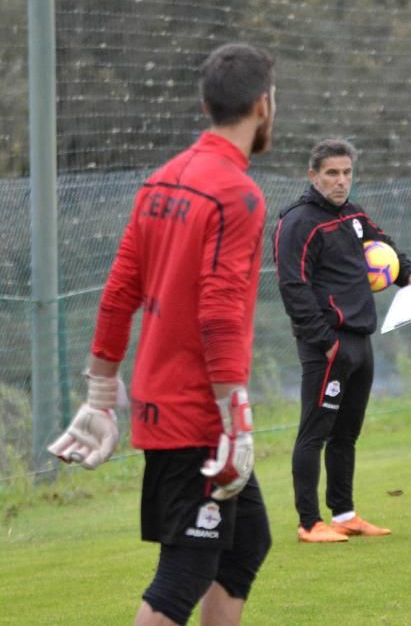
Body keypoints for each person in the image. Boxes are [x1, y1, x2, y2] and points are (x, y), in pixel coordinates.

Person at [47, 42, 276, 625]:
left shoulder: (162, 179)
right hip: (196, 415)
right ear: (263, 104)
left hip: (170, 406)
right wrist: (234, 416)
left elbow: (118, 291)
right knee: (186, 570)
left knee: (246, 544)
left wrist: (101, 393)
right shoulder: (237, 193)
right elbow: (218, 312)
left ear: (205, 104)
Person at [273, 138, 411, 543]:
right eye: (332, 174)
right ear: (313, 175)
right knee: (314, 432)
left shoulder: (352, 216)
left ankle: (344, 514)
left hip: (361, 339)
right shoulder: (298, 222)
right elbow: (293, 286)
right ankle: (309, 522)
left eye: (347, 173)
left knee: (346, 434)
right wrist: (324, 341)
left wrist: (407, 274)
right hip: (329, 345)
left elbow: (386, 246)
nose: (341, 182)